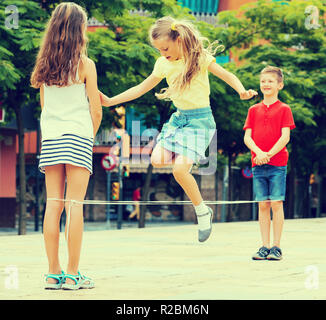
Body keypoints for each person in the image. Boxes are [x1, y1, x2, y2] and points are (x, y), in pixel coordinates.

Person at [100, 16, 257, 242]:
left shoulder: (199, 59)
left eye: (165, 48)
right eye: (159, 50)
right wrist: (111, 101)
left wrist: (241, 90)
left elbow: (227, 75)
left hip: (200, 121)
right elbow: (141, 88)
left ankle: (202, 211)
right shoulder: (163, 64)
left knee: (180, 170)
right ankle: (187, 167)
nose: (163, 53)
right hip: (179, 120)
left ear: (178, 39)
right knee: (156, 160)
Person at [30, 2, 102, 289]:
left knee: (53, 205)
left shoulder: (44, 66)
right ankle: (73, 274)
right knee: (75, 206)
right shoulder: (86, 65)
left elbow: (44, 106)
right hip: (78, 138)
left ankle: (52, 272)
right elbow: (95, 110)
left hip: (51, 138)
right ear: (79, 30)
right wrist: (89, 136)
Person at [243, 66, 295, 260]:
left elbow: (285, 137)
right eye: (263, 81)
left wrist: (269, 154)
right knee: (263, 205)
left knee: (276, 203)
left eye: (270, 81)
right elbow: (247, 138)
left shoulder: (284, 109)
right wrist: (259, 153)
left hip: (278, 164)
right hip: (257, 163)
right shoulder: (253, 110)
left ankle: (276, 247)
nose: (266, 84)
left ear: (279, 85)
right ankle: (264, 246)